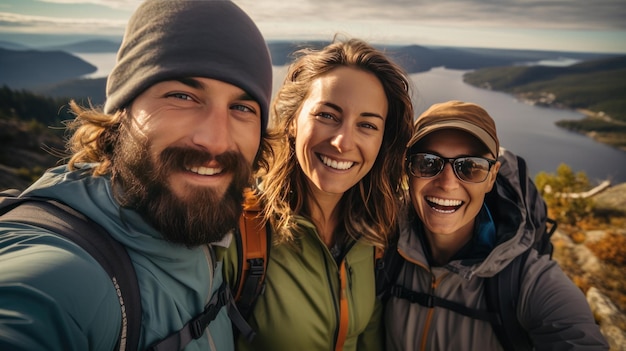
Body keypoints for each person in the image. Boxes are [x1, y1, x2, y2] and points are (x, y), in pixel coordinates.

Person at [0, 1, 272, 350]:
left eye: (242, 108)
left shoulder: (198, 223)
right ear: (122, 112)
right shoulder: (64, 277)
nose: (216, 140)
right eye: (182, 96)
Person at [217, 38, 415, 350]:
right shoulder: (236, 229)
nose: (343, 142)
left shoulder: (376, 237)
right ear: (293, 120)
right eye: (327, 115)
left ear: (382, 143)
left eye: (367, 125)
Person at [384, 100, 609, 350]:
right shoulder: (382, 249)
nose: (447, 183)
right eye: (428, 162)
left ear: (491, 177)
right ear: (408, 170)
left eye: (470, 167)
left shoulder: (527, 282)